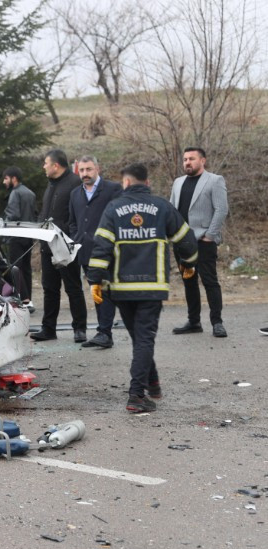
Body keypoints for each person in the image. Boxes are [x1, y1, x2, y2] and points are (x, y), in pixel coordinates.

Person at [86, 163, 198, 413]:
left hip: (122, 287)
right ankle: (136, 395)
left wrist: (95, 280)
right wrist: (189, 264)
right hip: (151, 286)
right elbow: (186, 239)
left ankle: (153, 383)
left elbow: (101, 246)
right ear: (147, 183)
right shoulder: (162, 207)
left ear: (125, 183)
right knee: (144, 339)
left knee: (140, 339)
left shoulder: (113, 208)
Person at [169, 147, 229, 338]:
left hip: (203, 241)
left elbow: (221, 209)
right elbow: (172, 210)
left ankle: (217, 322)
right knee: (189, 282)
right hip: (182, 242)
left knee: (210, 281)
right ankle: (194, 322)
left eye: (192, 159)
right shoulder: (178, 182)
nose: (187, 162)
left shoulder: (215, 180)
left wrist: (210, 235)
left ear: (202, 160)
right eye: (185, 159)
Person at [31, 149, 88, 343]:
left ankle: (80, 329)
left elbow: (78, 215)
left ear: (56, 165)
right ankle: (48, 329)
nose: (43, 167)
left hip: (66, 247)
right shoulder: (51, 185)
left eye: (46, 163)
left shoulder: (74, 184)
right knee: (50, 289)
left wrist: (72, 241)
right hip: (48, 245)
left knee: (73, 288)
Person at [68, 156, 122, 348]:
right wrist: (77, 239)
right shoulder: (75, 193)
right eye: (81, 170)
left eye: (89, 169)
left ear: (97, 168)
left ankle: (105, 332)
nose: (85, 174)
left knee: (106, 290)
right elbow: (73, 221)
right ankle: (103, 331)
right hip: (85, 251)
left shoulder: (112, 189)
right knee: (96, 291)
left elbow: (119, 217)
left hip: (106, 250)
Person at [1, 166, 37, 308]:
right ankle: (29, 300)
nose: (4, 182)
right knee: (26, 268)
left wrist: (2, 227)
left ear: (13, 178)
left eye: (5, 178)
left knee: (16, 268)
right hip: (29, 235)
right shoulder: (30, 193)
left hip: (16, 235)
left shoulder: (15, 193)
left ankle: (24, 299)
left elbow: (13, 215)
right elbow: (35, 214)